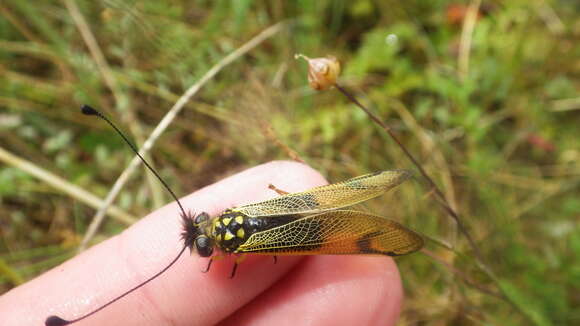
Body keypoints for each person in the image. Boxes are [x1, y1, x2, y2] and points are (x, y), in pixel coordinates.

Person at [0, 162, 403, 325]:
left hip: (300, 226)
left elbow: (235, 257)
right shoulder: (230, 218)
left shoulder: (233, 250)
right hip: (297, 219)